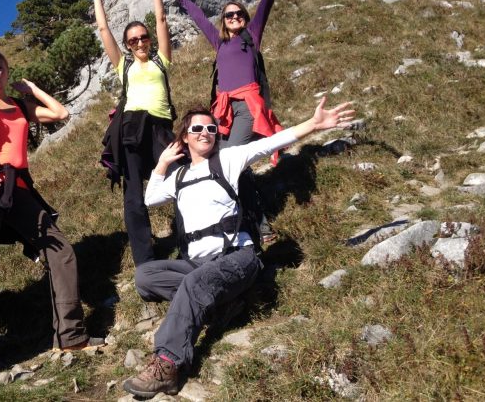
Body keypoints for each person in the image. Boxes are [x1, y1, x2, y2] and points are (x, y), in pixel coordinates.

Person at [122, 97, 354, 397]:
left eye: (211, 127)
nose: (205, 132)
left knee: (194, 284)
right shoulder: (178, 176)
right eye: (197, 128)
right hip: (198, 265)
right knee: (145, 277)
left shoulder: (227, 160)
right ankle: (223, 304)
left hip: (238, 258)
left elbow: (269, 144)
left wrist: (314, 124)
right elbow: (151, 199)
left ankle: (168, 364)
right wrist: (163, 164)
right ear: (184, 138)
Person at [0, 16, 101, 372]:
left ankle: (70, 335)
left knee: (61, 251)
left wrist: (31, 89)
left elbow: (60, 112)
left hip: (19, 189)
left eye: (1, 68)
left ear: (8, 72)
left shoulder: (19, 107)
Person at [86, 0, 176, 266]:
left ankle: (186, 233)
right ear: (127, 45)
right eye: (133, 40)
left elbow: (162, 17)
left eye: (143, 37)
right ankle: (145, 258)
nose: (139, 42)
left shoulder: (161, 60)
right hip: (132, 128)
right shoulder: (123, 64)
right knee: (134, 195)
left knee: (181, 178)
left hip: (162, 128)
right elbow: (103, 30)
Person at [175, 0, 313, 153]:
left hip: (247, 105)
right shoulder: (219, 42)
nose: (234, 17)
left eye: (239, 13)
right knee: (216, 154)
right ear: (223, 20)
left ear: (245, 17)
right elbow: (199, 18)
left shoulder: (251, 36)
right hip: (222, 108)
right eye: (229, 15)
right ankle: (246, 184)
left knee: (231, 154)